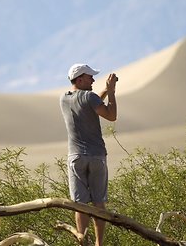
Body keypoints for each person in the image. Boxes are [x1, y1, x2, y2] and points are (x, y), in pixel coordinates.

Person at [59, 63, 118, 246]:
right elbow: (111, 115)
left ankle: (81, 242)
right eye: (90, 76)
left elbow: (89, 102)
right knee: (98, 204)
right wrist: (112, 92)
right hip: (96, 156)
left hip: (76, 157)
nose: (93, 79)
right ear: (80, 79)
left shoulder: (64, 98)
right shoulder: (90, 98)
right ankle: (99, 244)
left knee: (80, 205)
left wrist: (104, 91)